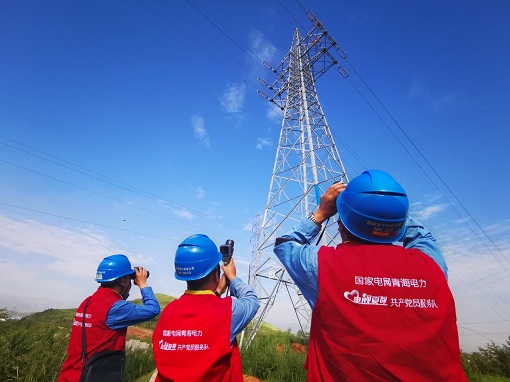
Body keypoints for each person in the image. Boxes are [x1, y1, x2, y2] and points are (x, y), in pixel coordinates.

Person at [274, 170, 468, 381]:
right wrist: (384, 205)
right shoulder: (432, 265)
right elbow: (422, 235)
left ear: (341, 227)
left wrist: (321, 212)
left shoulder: (324, 266)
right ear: (400, 223)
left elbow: (285, 245)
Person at [152, 234, 259, 382]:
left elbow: (201, 314)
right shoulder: (228, 311)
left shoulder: (168, 312)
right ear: (216, 274)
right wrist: (233, 278)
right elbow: (252, 301)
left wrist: (216, 293)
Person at [59, 254, 160, 382]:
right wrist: (143, 284)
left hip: (71, 376)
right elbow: (153, 309)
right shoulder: (116, 308)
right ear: (122, 281)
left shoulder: (87, 302)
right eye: (128, 279)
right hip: (93, 376)